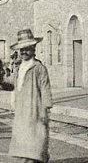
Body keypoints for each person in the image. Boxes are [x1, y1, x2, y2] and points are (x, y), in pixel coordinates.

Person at [6, 29, 52, 163]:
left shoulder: (38, 68)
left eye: (27, 49)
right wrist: (2, 83)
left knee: (35, 141)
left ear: (33, 49)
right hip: (21, 110)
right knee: (23, 142)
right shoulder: (20, 67)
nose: (24, 52)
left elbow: (45, 88)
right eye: (21, 50)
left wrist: (45, 109)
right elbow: (14, 82)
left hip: (34, 110)